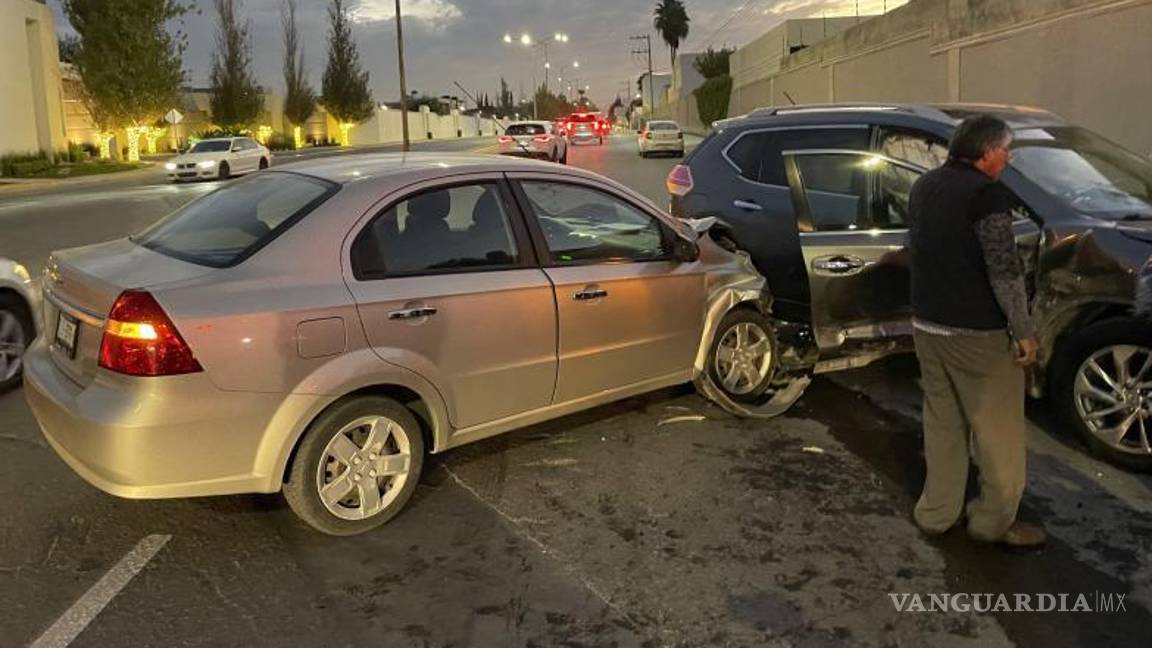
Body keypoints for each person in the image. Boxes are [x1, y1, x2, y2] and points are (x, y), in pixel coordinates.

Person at [907, 114, 1046, 548]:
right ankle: (992, 523)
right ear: (987, 153)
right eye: (1006, 150)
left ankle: (936, 513)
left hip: (927, 325)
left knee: (943, 424)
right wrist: (1024, 331)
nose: (1008, 158)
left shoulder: (924, 185)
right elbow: (1004, 272)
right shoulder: (987, 196)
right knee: (998, 435)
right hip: (977, 335)